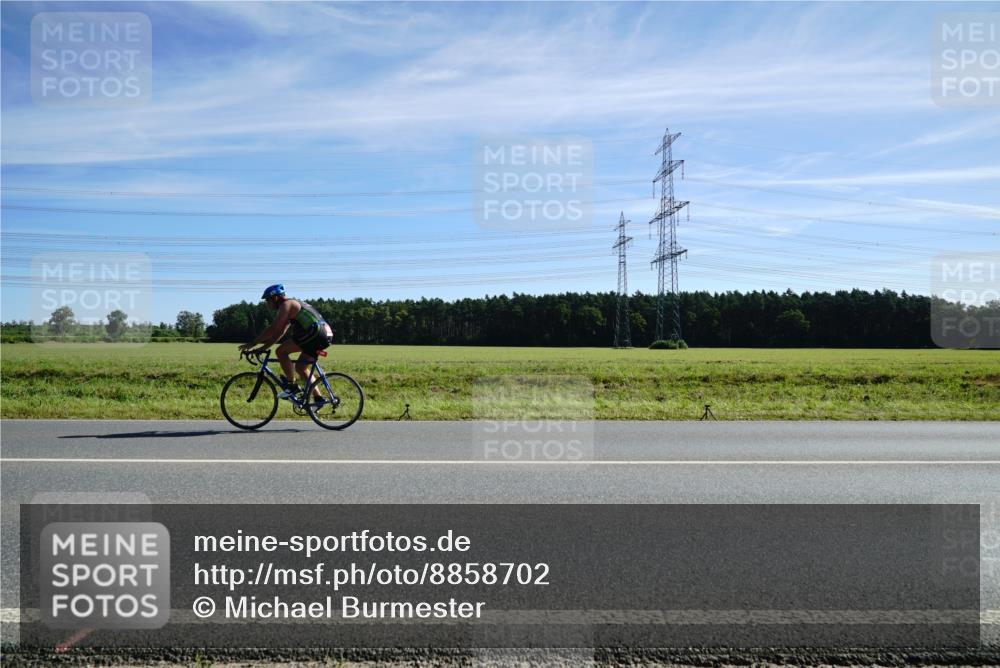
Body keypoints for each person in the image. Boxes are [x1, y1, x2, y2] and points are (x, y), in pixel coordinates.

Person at [239, 284, 333, 401]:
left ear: (275, 298)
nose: (267, 304)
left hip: (316, 333)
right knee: (301, 367)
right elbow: (280, 332)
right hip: (322, 335)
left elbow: (273, 328)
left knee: (281, 351)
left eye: (267, 300)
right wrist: (264, 347)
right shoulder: (291, 306)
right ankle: (319, 399)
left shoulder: (286, 304)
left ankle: (292, 386)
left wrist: (253, 343)